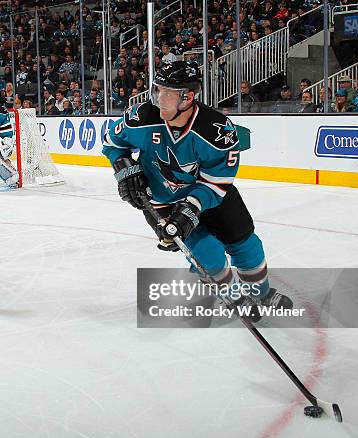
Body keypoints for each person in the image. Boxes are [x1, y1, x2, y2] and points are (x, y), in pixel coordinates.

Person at [102, 61, 292, 320]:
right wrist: (124, 167)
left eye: (167, 93)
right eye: (157, 90)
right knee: (208, 255)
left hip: (210, 196)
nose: (159, 99)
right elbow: (112, 143)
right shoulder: (142, 117)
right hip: (163, 202)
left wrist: (191, 208)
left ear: (187, 97)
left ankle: (260, 292)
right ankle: (232, 294)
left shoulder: (216, 130)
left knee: (247, 245)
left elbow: (216, 181)